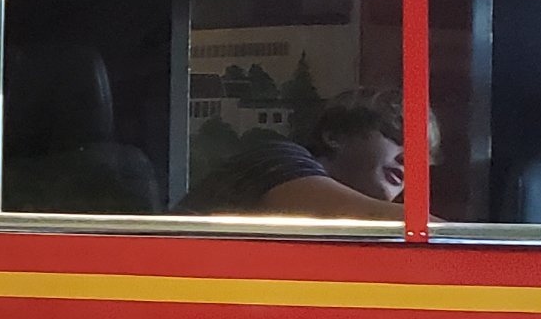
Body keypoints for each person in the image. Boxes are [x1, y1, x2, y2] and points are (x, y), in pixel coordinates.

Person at [181, 90, 425, 221]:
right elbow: (368, 215)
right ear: (335, 136)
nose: (409, 160)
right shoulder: (277, 159)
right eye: (396, 138)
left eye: (423, 155)